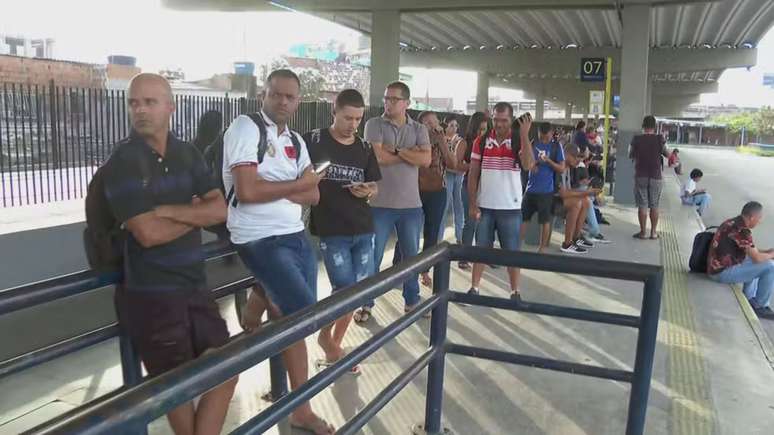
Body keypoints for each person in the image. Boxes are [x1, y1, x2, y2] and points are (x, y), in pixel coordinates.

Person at [104, 73, 236, 435]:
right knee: (177, 387)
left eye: (149, 102)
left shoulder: (187, 153)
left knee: (227, 367)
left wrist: (166, 210)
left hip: (194, 285)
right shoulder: (123, 162)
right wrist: (194, 215)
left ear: (170, 106)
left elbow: (220, 210)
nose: (140, 110)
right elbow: (147, 234)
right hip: (152, 296)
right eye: (134, 103)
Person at [223, 69, 333, 435]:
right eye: (276, 95)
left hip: (295, 234)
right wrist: (296, 185)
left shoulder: (297, 141)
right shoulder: (245, 128)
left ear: (299, 101)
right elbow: (248, 191)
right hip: (259, 238)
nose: (282, 101)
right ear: (263, 95)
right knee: (303, 316)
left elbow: (314, 195)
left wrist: (281, 185)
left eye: (290, 97)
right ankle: (260, 302)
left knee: (290, 319)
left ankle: (260, 297)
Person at [302, 89, 380, 374]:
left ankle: (333, 345)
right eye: (348, 117)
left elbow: (375, 186)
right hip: (332, 229)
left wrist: (367, 190)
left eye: (358, 119)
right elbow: (298, 179)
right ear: (333, 112)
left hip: (363, 227)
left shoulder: (365, 148)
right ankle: (329, 342)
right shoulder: (312, 141)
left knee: (356, 292)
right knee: (343, 289)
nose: (353, 124)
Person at [358, 81, 431, 323]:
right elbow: (378, 157)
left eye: (393, 99)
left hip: (411, 205)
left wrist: (398, 151)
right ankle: (365, 303)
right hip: (379, 204)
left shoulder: (419, 128)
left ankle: (412, 301)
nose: (388, 103)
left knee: (411, 257)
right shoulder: (373, 124)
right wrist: (411, 154)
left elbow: (426, 160)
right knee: (373, 257)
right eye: (386, 98)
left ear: (406, 103)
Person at [467, 104, 534, 301]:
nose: (499, 124)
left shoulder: (518, 141)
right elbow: (473, 174)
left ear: (511, 120)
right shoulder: (481, 142)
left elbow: (528, 164)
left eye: (504, 120)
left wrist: (523, 135)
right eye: (496, 119)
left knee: (512, 252)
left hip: (510, 208)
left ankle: (515, 291)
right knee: (481, 249)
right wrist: (472, 203)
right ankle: (474, 288)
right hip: (485, 205)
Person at [708, 202, 774, 320]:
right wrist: (771, 255)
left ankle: (749, 298)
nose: (760, 222)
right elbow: (757, 257)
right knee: (770, 266)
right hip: (720, 273)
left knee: (757, 262)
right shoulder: (742, 230)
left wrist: (768, 252)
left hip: (715, 267)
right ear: (752, 217)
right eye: (759, 219)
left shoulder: (732, 222)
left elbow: (751, 252)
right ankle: (760, 305)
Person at [520, 121, 565, 253]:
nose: (544, 140)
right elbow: (522, 157)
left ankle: (542, 249)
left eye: (547, 137)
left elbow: (561, 168)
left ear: (552, 134)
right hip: (530, 189)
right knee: (523, 219)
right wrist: (531, 164)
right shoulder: (533, 143)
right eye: (542, 137)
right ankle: (517, 246)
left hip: (546, 191)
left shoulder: (556, 147)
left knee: (544, 221)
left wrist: (549, 161)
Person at [557, 144, 604, 254]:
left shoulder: (572, 168)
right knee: (577, 203)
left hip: (561, 199)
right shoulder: (560, 166)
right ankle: (567, 244)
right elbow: (563, 193)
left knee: (586, 201)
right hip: (552, 200)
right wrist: (585, 192)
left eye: (580, 156)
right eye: (575, 156)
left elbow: (573, 189)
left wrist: (586, 192)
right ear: (566, 154)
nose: (578, 159)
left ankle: (576, 238)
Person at [457, 111, 489, 271]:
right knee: (470, 222)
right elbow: (457, 165)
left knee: (484, 223)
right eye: (480, 129)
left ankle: (481, 255)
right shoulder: (465, 142)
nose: (482, 132)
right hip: (468, 186)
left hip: (486, 187)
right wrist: (474, 166)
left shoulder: (489, 143)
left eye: (484, 129)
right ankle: (464, 256)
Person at [630, 115, 669, 240]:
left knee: (642, 204)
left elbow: (630, 155)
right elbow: (668, 154)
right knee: (654, 204)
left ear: (643, 126)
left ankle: (643, 233)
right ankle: (653, 233)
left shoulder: (636, 139)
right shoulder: (659, 139)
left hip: (641, 174)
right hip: (656, 175)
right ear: (655, 127)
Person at [442, 115, 467, 246]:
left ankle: (460, 237)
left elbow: (457, 161)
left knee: (459, 204)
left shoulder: (459, 140)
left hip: (458, 174)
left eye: (456, 125)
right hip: (446, 173)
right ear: (445, 126)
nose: (454, 128)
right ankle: (439, 238)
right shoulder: (441, 139)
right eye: (451, 125)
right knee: (444, 205)